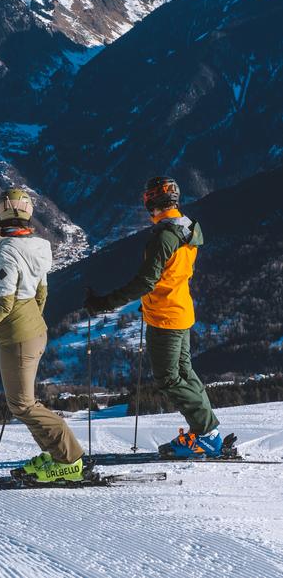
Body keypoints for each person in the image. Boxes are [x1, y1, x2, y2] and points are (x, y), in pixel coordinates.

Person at [0, 188, 87, 483]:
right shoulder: (39, 245)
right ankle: (57, 456)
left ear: (0, 214)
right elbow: (41, 293)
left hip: (18, 337)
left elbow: (3, 303)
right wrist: (31, 321)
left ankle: (70, 458)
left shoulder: (6, 251)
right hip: (31, 331)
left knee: (23, 404)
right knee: (22, 403)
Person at [85, 177, 224, 458]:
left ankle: (206, 434)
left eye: (146, 197)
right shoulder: (186, 227)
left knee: (169, 378)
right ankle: (208, 432)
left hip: (166, 318)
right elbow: (170, 274)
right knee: (184, 373)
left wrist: (104, 303)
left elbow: (145, 282)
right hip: (180, 309)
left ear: (152, 201)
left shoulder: (164, 236)